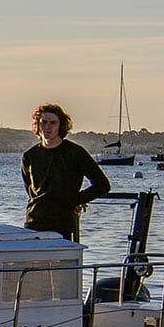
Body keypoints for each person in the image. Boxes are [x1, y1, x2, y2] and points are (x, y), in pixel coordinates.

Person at [22, 103, 111, 242]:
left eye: (53, 123)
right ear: (38, 125)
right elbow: (30, 189)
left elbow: (103, 185)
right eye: (44, 122)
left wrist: (77, 200)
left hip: (62, 223)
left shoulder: (75, 152)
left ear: (60, 126)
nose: (47, 127)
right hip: (34, 221)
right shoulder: (29, 156)